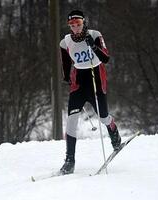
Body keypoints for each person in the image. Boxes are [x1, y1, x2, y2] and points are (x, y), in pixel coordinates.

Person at [59, 10, 121, 175]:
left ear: (83, 23)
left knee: (103, 117)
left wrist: (93, 46)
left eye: (78, 24)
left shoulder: (95, 35)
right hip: (78, 84)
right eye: (72, 25)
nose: (75, 28)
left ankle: (113, 128)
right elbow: (66, 64)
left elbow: (106, 58)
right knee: (71, 121)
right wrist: (66, 77)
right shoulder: (65, 42)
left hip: (96, 81)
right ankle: (69, 161)